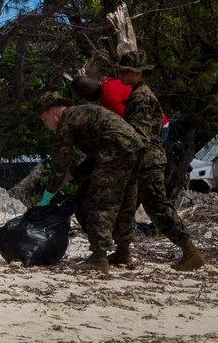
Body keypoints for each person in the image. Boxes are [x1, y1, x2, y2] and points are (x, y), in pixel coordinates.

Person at [36, 92, 144, 273]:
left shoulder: (67, 122)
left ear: (53, 111)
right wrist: (73, 176)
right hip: (135, 148)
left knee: (96, 204)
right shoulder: (82, 114)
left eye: (44, 119)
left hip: (115, 150)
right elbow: (95, 158)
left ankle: (99, 257)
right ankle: (123, 251)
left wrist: (46, 198)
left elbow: (59, 164)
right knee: (125, 203)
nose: (45, 125)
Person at [117, 50, 205, 270]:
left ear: (137, 73)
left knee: (157, 206)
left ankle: (190, 251)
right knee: (127, 206)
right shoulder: (139, 93)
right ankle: (122, 251)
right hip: (143, 158)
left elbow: (139, 135)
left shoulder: (141, 97)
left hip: (146, 159)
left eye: (126, 70)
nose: (121, 73)